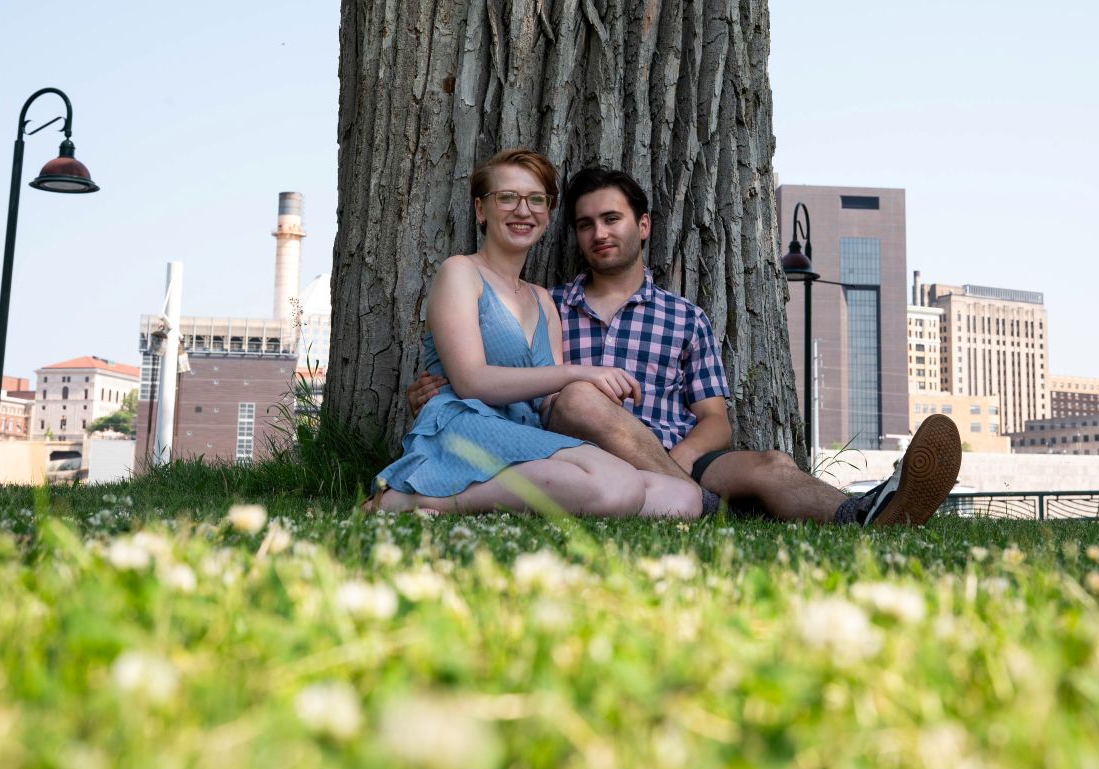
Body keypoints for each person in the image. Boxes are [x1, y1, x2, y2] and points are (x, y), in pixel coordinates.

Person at [411, 165, 963, 525]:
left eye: (612, 219)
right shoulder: (548, 304)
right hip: (584, 454)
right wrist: (441, 390)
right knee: (580, 398)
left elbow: (715, 420)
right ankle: (710, 512)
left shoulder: (685, 318)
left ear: (643, 225)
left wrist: (678, 458)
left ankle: (863, 513)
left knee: (769, 462)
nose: (599, 234)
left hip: (677, 456)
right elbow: (503, 371)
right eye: (585, 225)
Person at [368, 149, 702, 519]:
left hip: (524, 434)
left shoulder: (544, 301)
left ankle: (501, 501)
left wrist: (598, 408)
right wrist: (580, 372)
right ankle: (410, 500)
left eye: (536, 200)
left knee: (681, 499)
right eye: (507, 197)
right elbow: (470, 382)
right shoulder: (461, 273)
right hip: (468, 426)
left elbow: (548, 402)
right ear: (481, 210)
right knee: (618, 485)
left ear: (547, 212)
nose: (523, 210)